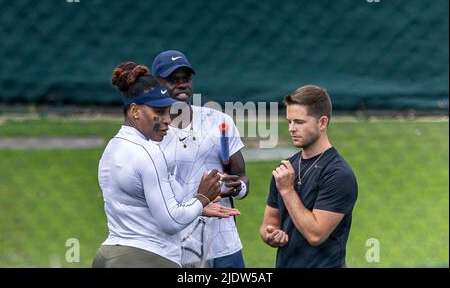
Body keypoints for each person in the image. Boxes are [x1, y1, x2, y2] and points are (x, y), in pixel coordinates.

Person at [92, 62, 239, 268]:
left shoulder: (114, 146)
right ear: (135, 111)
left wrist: (198, 208)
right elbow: (171, 222)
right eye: (159, 112)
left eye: (168, 112)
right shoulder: (148, 152)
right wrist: (201, 198)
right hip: (146, 259)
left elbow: (143, 204)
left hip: (109, 255)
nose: (168, 120)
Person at [151, 50, 249, 268]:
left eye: (185, 79)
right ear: (156, 83)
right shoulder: (151, 132)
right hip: (178, 246)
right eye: (172, 80)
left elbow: (241, 175)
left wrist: (238, 187)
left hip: (224, 242)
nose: (182, 85)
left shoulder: (218, 120)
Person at [259, 85, 358, 268]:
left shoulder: (338, 174)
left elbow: (316, 235)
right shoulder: (285, 169)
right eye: (289, 121)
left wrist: (288, 191)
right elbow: (268, 222)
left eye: (299, 122)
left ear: (322, 123)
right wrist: (271, 234)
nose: (291, 128)